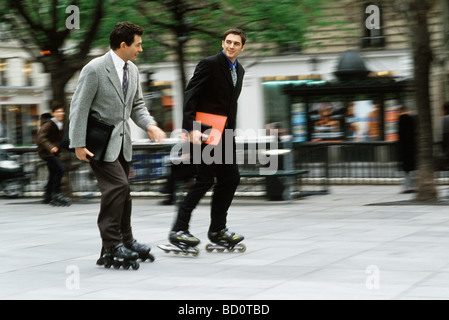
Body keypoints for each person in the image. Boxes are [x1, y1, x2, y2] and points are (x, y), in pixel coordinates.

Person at [68, 22, 166, 268]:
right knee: (117, 188)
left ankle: (126, 241)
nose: (140, 49)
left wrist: (150, 125)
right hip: (98, 144)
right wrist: (78, 144)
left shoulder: (132, 70)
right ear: (123, 45)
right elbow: (78, 108)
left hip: (123, 144)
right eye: (138, 45)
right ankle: (112, 245)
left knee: (124, 193)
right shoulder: (94, 69)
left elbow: (137, 106)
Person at [168, 28, 247, 249]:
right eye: (228, 42)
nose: (231, 46)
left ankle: (217, 230)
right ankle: (179, 230)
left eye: (236, 43)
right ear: (222, 43)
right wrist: (190, 128)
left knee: (230, 179)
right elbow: (191, 95)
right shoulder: (209, 64)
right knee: (204, 180)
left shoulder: (239, 70)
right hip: (204, 132)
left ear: (242, 47)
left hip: (225, 134)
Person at [37, 102, 71, 206]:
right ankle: (56, 194)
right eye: (58, 112)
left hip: (53, 153)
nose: (61, 113)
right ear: (53, 114)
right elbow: (41, 137)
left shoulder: (61, 124)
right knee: (60, 169)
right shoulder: (48, 124)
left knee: (53, 173)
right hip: (46, 153)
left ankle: (47, 196)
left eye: (62, 111)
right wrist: (51, 147)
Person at [398, 105, 417, 194]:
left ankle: (406, 187)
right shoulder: (411, 119)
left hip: (404, 148)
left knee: (406, 170)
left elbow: (400, 135)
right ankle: (412, 186)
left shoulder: (401, 120)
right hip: (412, 147)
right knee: (412, 168)